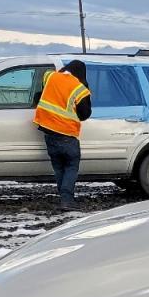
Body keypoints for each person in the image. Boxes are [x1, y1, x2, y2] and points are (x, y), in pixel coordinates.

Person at [33, 59, 92, 210]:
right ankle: (67, 200)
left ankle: (64, 198)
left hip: (48, 132)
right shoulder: (79, 88)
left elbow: (43, 86)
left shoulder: (51, 77)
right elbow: (85, 114)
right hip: (67, 134)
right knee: (71, 166)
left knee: (59, 168)